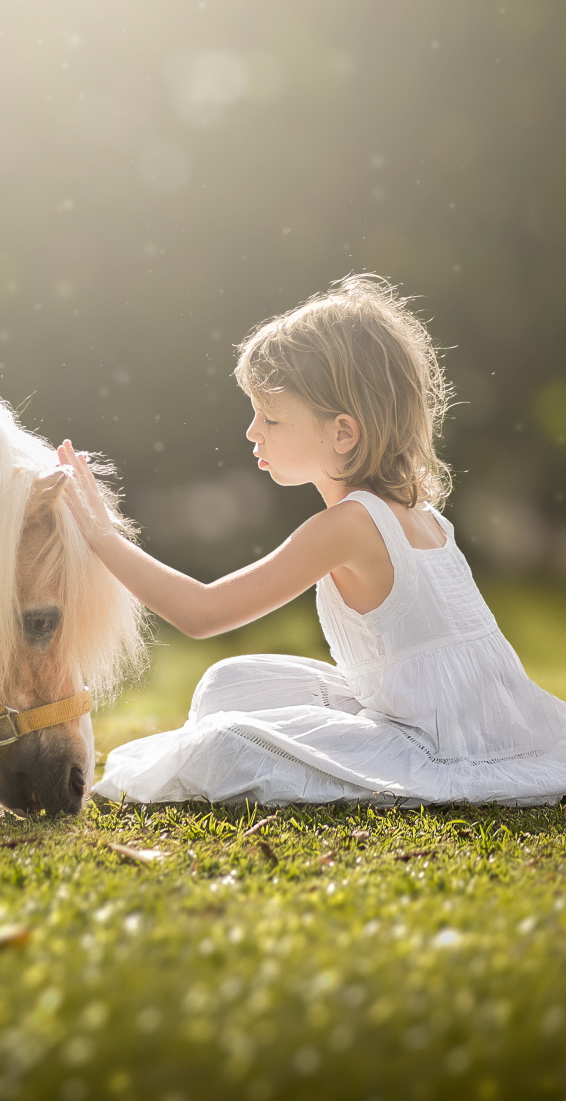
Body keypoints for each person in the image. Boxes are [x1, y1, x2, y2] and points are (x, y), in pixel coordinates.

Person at [57, 274, 566, 807]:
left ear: (343, 432)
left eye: (272, 418)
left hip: (437, 745)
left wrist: (101, 534)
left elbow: (200, 613)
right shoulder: (422, 515)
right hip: (456, 718)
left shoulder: (349, 526)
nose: (254, 431)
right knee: (227, 685)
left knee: (222, 745)